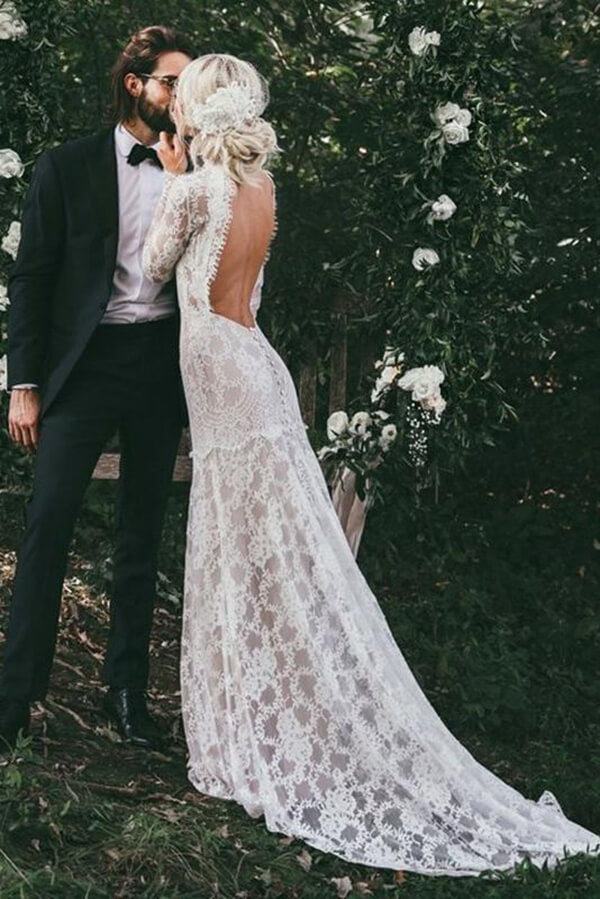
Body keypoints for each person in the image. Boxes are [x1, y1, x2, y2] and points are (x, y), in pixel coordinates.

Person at [142, 53, 600, 877]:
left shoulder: (194, 190)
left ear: (199, 113)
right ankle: (273, 711)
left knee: (244, 554)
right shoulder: (261, 189)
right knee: (282, 554)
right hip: (257, 368)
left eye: (183, 99)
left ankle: (255, 730)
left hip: (223, 380)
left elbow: (149, 267)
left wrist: (173, 173)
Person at [0, 25, 196, 750]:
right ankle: (16, 699)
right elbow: (31, 279)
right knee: (48, 519)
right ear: (135, 84)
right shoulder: (67, 166)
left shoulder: (197, 168)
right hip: (83, 365)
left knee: (142, 532)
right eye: (172, 81)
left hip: (160, 362)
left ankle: (126, 697)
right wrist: (24, 382)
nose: (181, 94)